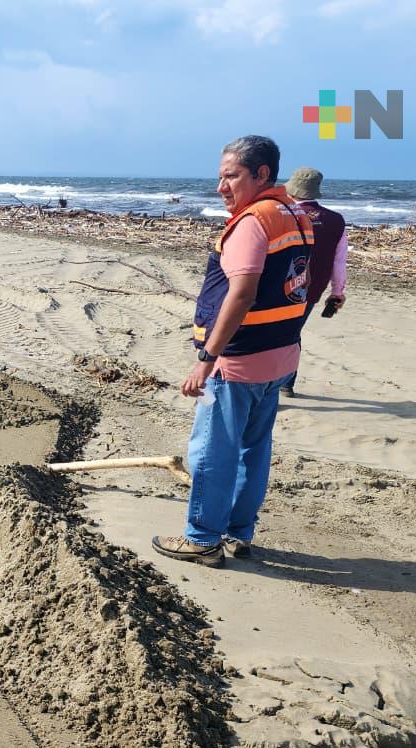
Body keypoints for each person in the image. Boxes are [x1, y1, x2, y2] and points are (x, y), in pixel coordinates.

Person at [152, 135, 313, 567]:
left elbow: (241, 295)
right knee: (254, 450)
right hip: (279, 357)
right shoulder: (295, 215)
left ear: (262, 174)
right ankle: (240, 532)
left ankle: (203, 537)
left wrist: (206, 359)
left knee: (212, 451)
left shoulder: (252, 222)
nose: (221, 187)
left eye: (231, 176)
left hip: (237, 363)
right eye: (220, 177)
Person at [281, 166, 347, 397]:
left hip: (279, 285)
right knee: (292, 332)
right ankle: (286, 383)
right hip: (313, 287)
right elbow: (339, 260)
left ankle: (274, 383)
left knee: (275, 334)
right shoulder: (336, 220)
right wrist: (337, 291)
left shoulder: (282, 214)